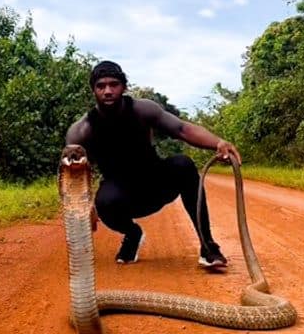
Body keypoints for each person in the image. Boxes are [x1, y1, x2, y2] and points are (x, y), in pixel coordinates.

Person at [65, 60, 242, 266]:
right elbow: (72, 172)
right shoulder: (81, 130)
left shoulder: (143, 110)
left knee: (182, 164)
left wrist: (218, 143)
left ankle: (208, 245)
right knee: (103, 201)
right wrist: (85, 205)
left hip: (156, 185)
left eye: (113, 84)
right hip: (122, 196)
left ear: (123, 87)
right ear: (93, 90)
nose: (107, 91)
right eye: (101, 86)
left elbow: (182, 129)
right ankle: (132, 234)